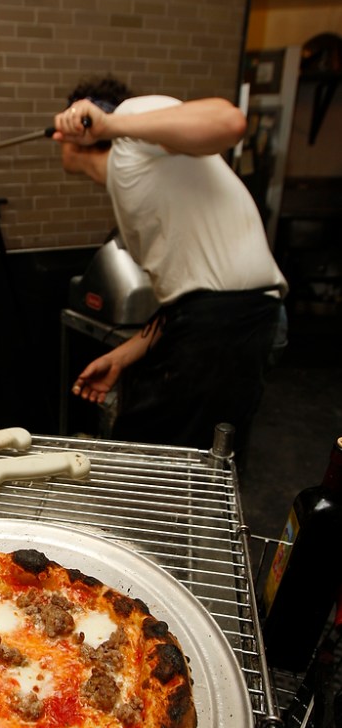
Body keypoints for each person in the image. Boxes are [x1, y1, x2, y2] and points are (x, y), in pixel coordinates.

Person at [52, 77, 288, 463]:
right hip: (214, 319)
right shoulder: (134, 179)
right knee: (176, 460)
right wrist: (125, 354)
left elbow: (229, 122)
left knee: (160, 464)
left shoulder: (131, 125)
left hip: (233, 320)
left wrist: (110, 124)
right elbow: (187, 294)